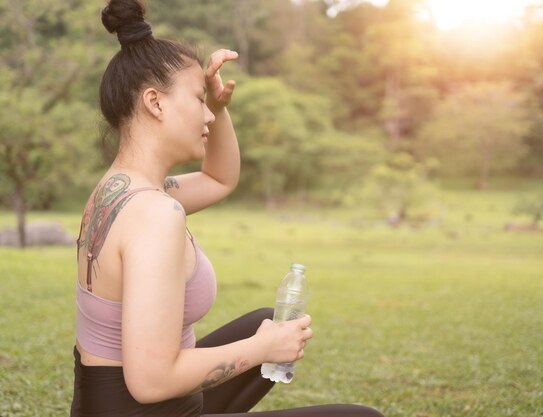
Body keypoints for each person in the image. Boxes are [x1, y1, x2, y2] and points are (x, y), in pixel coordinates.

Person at [70, 1, 385, 416]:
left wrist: (218, 108)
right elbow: (151, 382)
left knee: (267, 317)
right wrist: (262, 349)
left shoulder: (119, 190)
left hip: (102, 405)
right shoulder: (156, 215)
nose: (206, 114)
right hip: (148, 409)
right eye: (198, 99)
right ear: (155, 102)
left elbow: (220, 179)